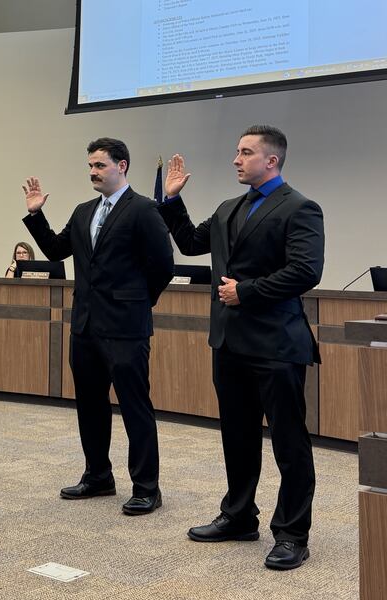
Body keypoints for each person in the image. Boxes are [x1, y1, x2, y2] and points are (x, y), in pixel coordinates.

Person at [159, 125, 324, 570]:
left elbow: (307, 271)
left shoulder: (300, 208)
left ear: (271, 160)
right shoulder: (229, 207)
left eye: (246, 152)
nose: (236, 159)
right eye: (236, 151)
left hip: (276, 344)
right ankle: (238, 516)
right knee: (237, 436)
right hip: (229, 341)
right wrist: (173, 201)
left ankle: (292, 533)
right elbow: (193, 244)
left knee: (289, 442)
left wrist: (247, 291)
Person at [22, 137, 174, 514]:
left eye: (100, 165)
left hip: (125, 327)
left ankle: (146, 487)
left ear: (122, 166)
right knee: (90, 405)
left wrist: (138, 302)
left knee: (135, 407)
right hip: (85, 327)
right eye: (90, 166)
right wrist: (36, 215)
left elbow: (164, 266)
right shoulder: (83, 210)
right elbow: (57, 251)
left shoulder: (143, 209)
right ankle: (98, 476)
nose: (93, 171)